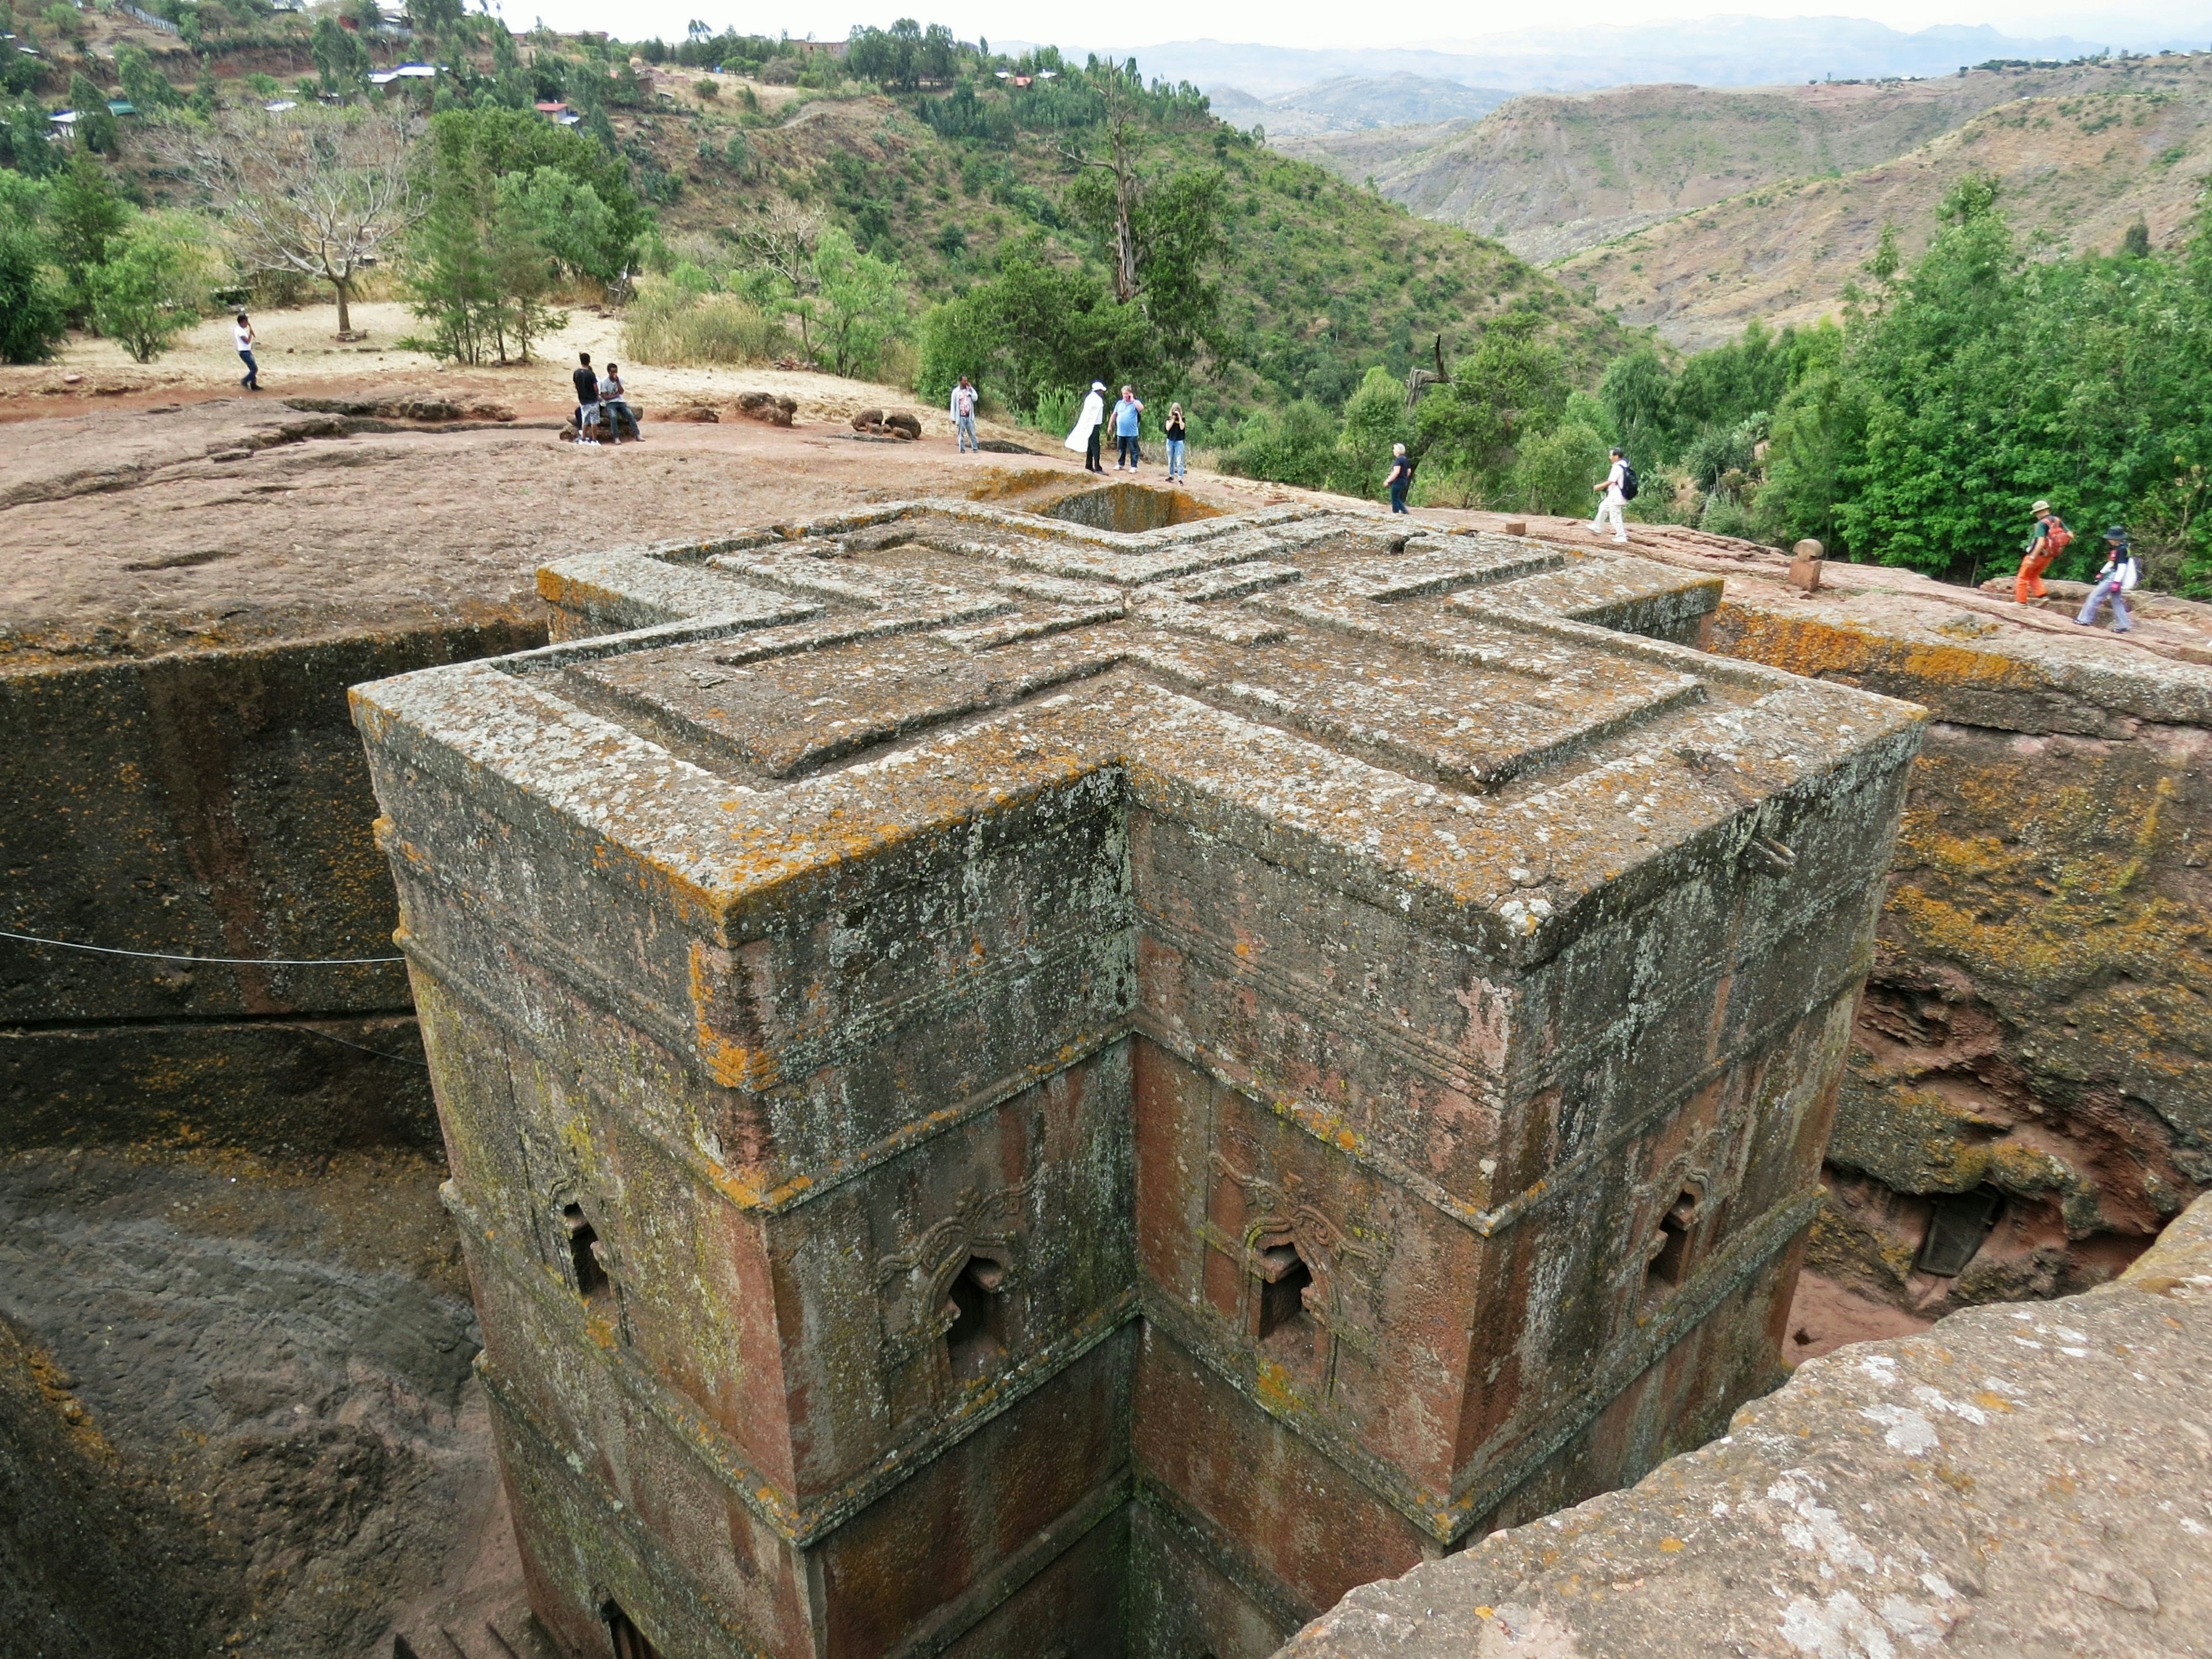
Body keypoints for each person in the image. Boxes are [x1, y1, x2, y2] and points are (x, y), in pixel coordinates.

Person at [2075, 527, 2138, 632]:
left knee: (2095, 596)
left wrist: (2117, 581)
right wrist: (2102, 572)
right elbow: (2112, 562)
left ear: (2116, 539)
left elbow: (2122, 567)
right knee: (2116, 601)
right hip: (2115, 574)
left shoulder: (2121, 550)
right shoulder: (2121, 548)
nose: (2109, 540)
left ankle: (2084, 619)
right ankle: (2123, 625)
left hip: (2115, 576)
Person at [2015, 498, 2071, 604]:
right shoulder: (2057, 520)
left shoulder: (2042, 524)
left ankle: (2021, 602)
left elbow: (2040, 543)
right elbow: (2070, 535)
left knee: (2022, 577)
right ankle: (2042, 596)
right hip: (2049, 556)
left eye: (2036, 513)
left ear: (2039, 512)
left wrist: (2032, 557)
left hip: (2037, 555)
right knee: (2033, 575)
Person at [1065, 381, 1106, 473]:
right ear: (1098, 391)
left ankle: (1089, 465)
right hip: (1094, 425)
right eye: (1101, 391)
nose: (1103, 393)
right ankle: (1097, 467)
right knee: (1095, 446)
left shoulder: (1090, 398)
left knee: (1091, 446)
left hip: (1090, 424)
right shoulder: (1097, 400)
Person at [1589, 448, 1630, 543]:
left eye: (1611, 455)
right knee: (1603, 507)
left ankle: (1621, 536)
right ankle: (1597, 527)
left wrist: (1598, 487)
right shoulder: (1625, 465)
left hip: (1617, 496)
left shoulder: (1618, 467)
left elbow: (1610, 481)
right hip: (1615, 495)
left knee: (1615, 517)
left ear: (1616, 456)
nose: (1610, 457)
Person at [598, 362, 640, 442]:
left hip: (620, 401)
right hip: (610, 403)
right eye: (612, 372)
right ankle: (616, 437)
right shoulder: (604, 382)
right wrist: (615, 396)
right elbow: (605, 396)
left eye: (616, 372)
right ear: (609, 372)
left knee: (630, 414)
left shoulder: (620, 380)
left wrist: (618, 382)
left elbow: (621, 392)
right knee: (613, 416)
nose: (614, 374)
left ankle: (637, 434)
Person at [1112, 385, 1144, 471]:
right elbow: (1114, 415)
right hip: (1121, 432)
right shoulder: (1119, 403)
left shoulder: (1135, 403)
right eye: (1124, 394)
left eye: (1127, 394)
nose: (1125, 395)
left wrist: (1133, 400)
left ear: (1130, 394)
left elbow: (1141, 408)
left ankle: (1134, 466)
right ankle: (1120, 464)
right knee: (1121, 449)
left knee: (1133, 450)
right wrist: (1110, 425)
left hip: (1132, 432)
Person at [571, 352, 600, 444]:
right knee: (594, 420)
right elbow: (595, 388)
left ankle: (583, 438)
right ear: (589, 361)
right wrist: (597, 395)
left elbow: (576, 386)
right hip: (592, 399)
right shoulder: (591, 374)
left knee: (585, 419)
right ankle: (594, 439)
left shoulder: (576, 373)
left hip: (583, 400)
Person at [950, 376, 979, 453]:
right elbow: (953, 405)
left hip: (969, 416)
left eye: (966, 381)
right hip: (960, 416)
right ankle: (962, 449)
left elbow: (975, 398)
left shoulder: (969, 390)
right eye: (964, 381)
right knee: (961, 434)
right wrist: (953, 418)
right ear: (960, 381)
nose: (966, 382)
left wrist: (971, 389)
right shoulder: (956, 392)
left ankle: (975, 449)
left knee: (972, 433)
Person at [233, 313, 260, 391]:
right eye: (246, 322)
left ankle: (253, 384)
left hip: (245, 351)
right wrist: (251, 334)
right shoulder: (240, 331)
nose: (247, 324)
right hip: (244, 352)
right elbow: (247, 342)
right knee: (254, 369)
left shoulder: (240, 329)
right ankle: (245, 381)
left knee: (252, 368)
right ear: (242, 322)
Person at [1385, 442, 1414, 514]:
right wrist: (1404, 477)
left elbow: (1396, 472)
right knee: (1397, 498)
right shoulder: (1405, 459)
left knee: (1395, 499)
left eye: (1394, 449)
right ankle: (1404, 512)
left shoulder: (1398, 460)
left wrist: (1388, 481)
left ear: (1398, 450)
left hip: (1397, 481)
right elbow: (1409, 471)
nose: (1393, 451)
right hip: (1403, 481)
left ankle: (1398, 513)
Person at [1164, 404, 1187, 482]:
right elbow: (1168, 428)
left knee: (1179, 460)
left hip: (1179, 441)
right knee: (1171, 460)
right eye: (1175, 409)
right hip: (1170, 440)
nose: (1176, 411)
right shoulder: (1169, 418)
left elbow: (1182, 427)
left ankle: (1180, 478)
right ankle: (1171, 476)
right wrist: (1173, 419)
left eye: (1178, 409)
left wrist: (1180, 417)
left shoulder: (1183, 419)